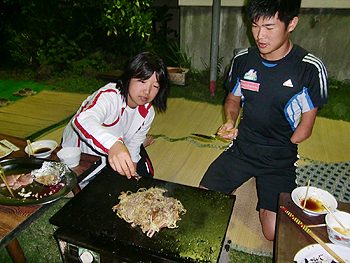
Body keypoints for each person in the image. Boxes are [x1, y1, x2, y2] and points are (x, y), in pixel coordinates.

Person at [199, 0, 328, 241]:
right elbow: (232, 99)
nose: (260, 35)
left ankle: (259, 186)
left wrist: (296, 136)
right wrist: (229, 121)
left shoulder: (308, 68)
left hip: (279, 157)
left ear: (292, 24)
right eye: (255, 25)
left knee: (272, 233)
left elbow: (307, 123)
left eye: (269, 27)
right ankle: (237, 179)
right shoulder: (243, 59)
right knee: (203, 200)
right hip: (243, 147)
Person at [62, 52, 170, 183]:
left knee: (146, 174)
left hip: (116, 148)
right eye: (142, 81)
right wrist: (113, 145)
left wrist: (132, 171)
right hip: (82, 155)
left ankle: (141, 146)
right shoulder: (110, 97)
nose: (147, 91)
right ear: (129, 77)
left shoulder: (147, 112)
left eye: (155, 86)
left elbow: (134, 145)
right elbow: (82, 120)